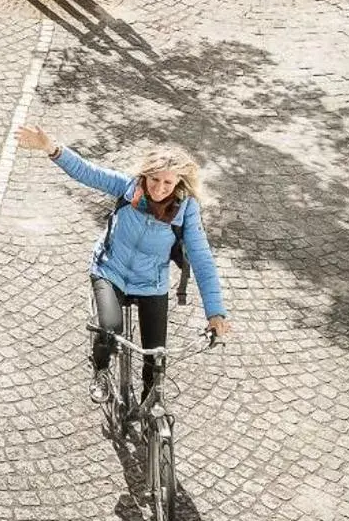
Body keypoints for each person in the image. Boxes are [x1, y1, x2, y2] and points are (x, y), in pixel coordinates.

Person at [13, 125, 229, 403]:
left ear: (179, 184)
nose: (159, 189)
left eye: (168, 183)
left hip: (151, 283)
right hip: (110, 272)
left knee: (156, 356)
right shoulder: (129, 189)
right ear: (145, 175)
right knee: (109, 331)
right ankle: (100, 369)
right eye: (154, 180)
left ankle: (152, 406)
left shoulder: (186, 210)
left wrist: (215, 313)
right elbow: (87, 172)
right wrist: (51, 147)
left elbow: (201, 258)